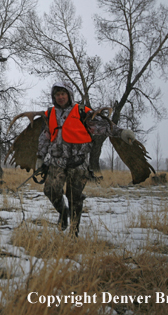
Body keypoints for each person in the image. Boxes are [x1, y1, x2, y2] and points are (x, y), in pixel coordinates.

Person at [35, 82, 135, 236]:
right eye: (57, 94)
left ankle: (74, 231)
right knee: (50, 191)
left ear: (69, 94)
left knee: (75, 197)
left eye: (63, 93)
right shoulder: (50, 114)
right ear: (54, 97)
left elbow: (103, 126)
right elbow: (44, 137)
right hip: (56, 161)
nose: (60, 97)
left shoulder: (82, 112)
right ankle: (63, 212)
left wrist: (121, 133)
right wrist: (40, 158)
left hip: (78, 162)